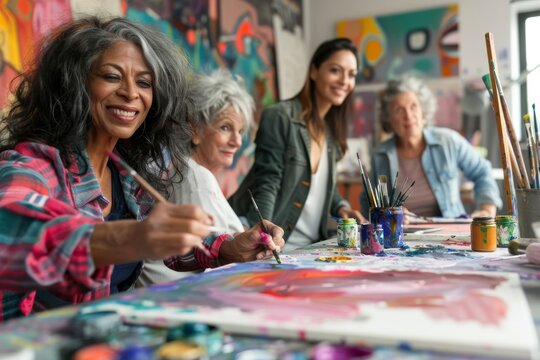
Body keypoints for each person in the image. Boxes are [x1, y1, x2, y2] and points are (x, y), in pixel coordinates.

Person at [0, 16, 283, 321]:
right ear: (73, 84)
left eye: (144, 82)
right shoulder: (34, 166)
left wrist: (229, 248)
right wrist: (129, 238)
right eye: (111, 76)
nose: (131, 93)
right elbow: (8, 233)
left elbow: (167, 249)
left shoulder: (124, 173)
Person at [229, 38, 366, 251]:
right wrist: (262, 233)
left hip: (312, 248)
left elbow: (319, 186)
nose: (344, 81)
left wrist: (341, 208)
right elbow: (267, 182)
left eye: (351, 75)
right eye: (335, 70)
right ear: (313, 71)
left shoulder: (330, 132)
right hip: (280, 246)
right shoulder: (280, 117)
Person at [137, 69, 253, 286]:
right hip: (179, 301)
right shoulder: (196, 177)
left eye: (241, 131)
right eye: (225, 128)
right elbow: (219, 259)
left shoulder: (183, 169)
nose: (237, 141)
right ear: (195, 130)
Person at [361, 75, 501, 219]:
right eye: (399, 110)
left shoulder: (448, 141)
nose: (408, 116)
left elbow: (483, 171)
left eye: (413, 106)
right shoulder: (380, 155)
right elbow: (369, 204)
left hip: (450, 234)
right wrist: (388, 215)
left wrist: (487, 207)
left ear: (423, 111)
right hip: (401, 236)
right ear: (388, 119)